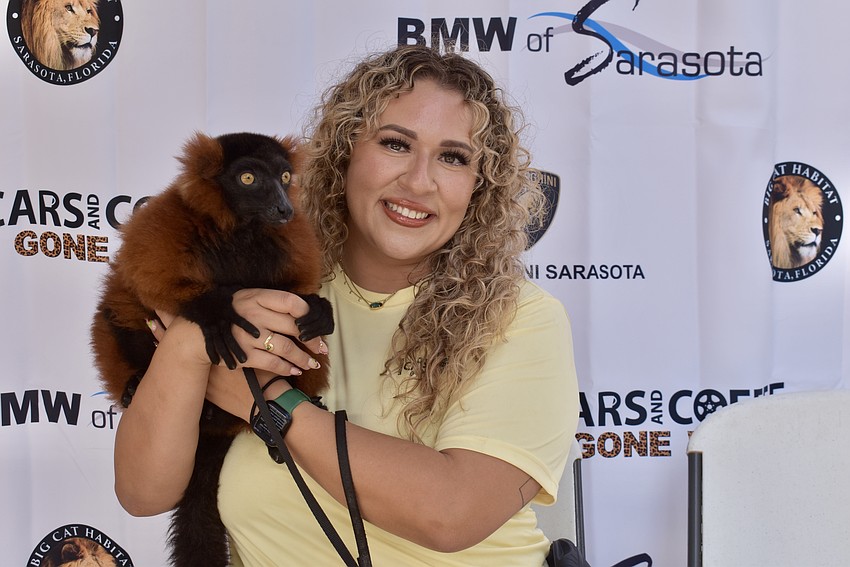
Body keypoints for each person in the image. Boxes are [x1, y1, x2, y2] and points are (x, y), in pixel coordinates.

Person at [113, 44, 579, 566]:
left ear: (479, 186)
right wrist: (186, 346)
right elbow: (142, 493)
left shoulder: (519, 319)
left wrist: (265, 398)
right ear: (344, 153)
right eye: (396, 144)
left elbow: (450, 514)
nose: (418, 181)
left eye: (453, 157)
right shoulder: (263, 292)